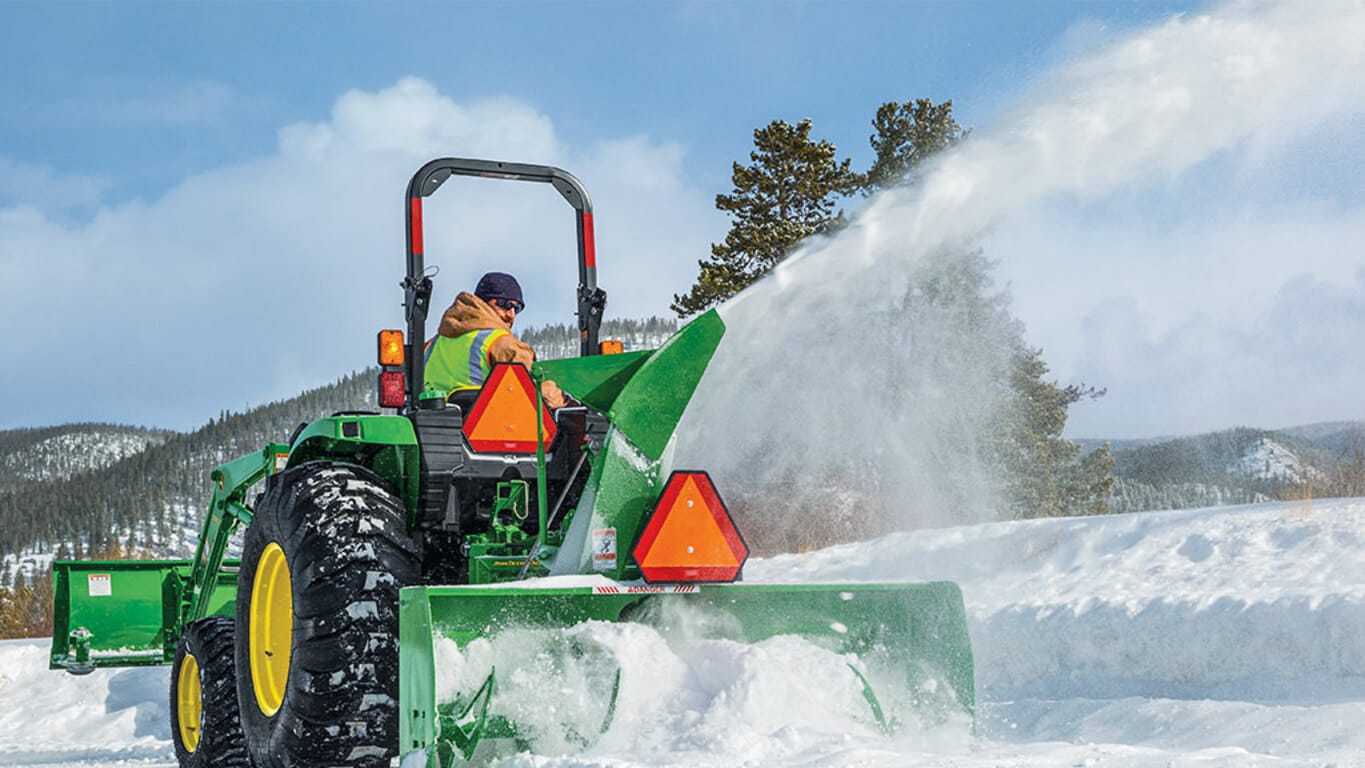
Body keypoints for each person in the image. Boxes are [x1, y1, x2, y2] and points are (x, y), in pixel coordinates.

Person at [423, 272, 566, 408]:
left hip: (437, 427)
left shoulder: (431, 345)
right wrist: (562, 401)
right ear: (482, 303)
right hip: (489, 427)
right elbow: (537, 391)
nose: (511, 314)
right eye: (505, 304)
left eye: (517, 308)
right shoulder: (502, 344)